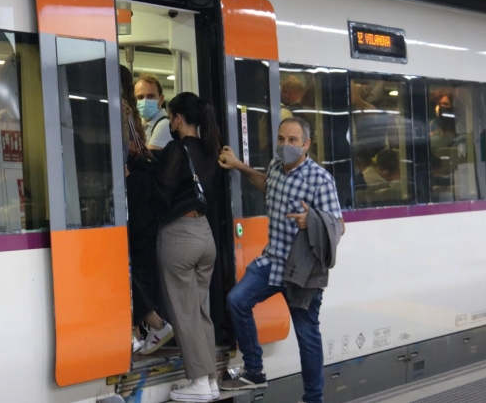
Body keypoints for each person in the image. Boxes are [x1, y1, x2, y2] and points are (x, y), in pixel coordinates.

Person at [217, 117, 344, 403]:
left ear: (306, 144)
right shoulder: (276, 167)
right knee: (237, 300)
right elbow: (267, 184)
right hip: (273, 261)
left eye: (293, 140)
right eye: (281, 139)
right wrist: (239, 166)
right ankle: (254, 370)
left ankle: (314, 398)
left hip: (303, 270)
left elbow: (339, 225)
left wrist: (309, 220)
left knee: (306, 334)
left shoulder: (319, 178)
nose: (285, 145)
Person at [151, 92, 222, 402]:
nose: (169, 122)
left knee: (184, 312)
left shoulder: (176, 149)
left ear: (178, 119)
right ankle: (211, 378)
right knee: (201, 311)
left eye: (170, 117)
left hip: (179, 236)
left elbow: (160, 192)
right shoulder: (211, 150)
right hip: (205, 235)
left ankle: (198, 382)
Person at [121, 65, 172, 355]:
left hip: (136, 195)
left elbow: (134, 152)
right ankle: (142, 327)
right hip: (142, 197)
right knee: (138, 264)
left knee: (132, 265)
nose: (144, 102)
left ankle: (151, 323)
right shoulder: (135, 117)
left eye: (150, 96)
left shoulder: (125, 113)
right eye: (141, 95)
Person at [135, 74, 172, 151]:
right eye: (140, 97)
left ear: (161, 99)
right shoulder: (142, 124)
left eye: (150, 96)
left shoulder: (164, 125)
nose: (145, 101)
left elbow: (146, 161)